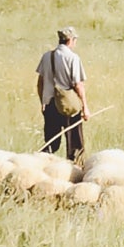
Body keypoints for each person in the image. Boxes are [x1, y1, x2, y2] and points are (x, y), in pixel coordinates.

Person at [36, 27, 90, 161]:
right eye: (75, 39)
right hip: (68, 107)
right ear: (71, 40)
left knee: (51, 144)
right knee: (75, 146)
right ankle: (74, 174)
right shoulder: (73, 58)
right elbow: (78, 85)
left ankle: (40, 166)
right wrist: (85, 107)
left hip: (50, 105)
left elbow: (40, 83)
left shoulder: (47, 56)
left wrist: (43, 101)